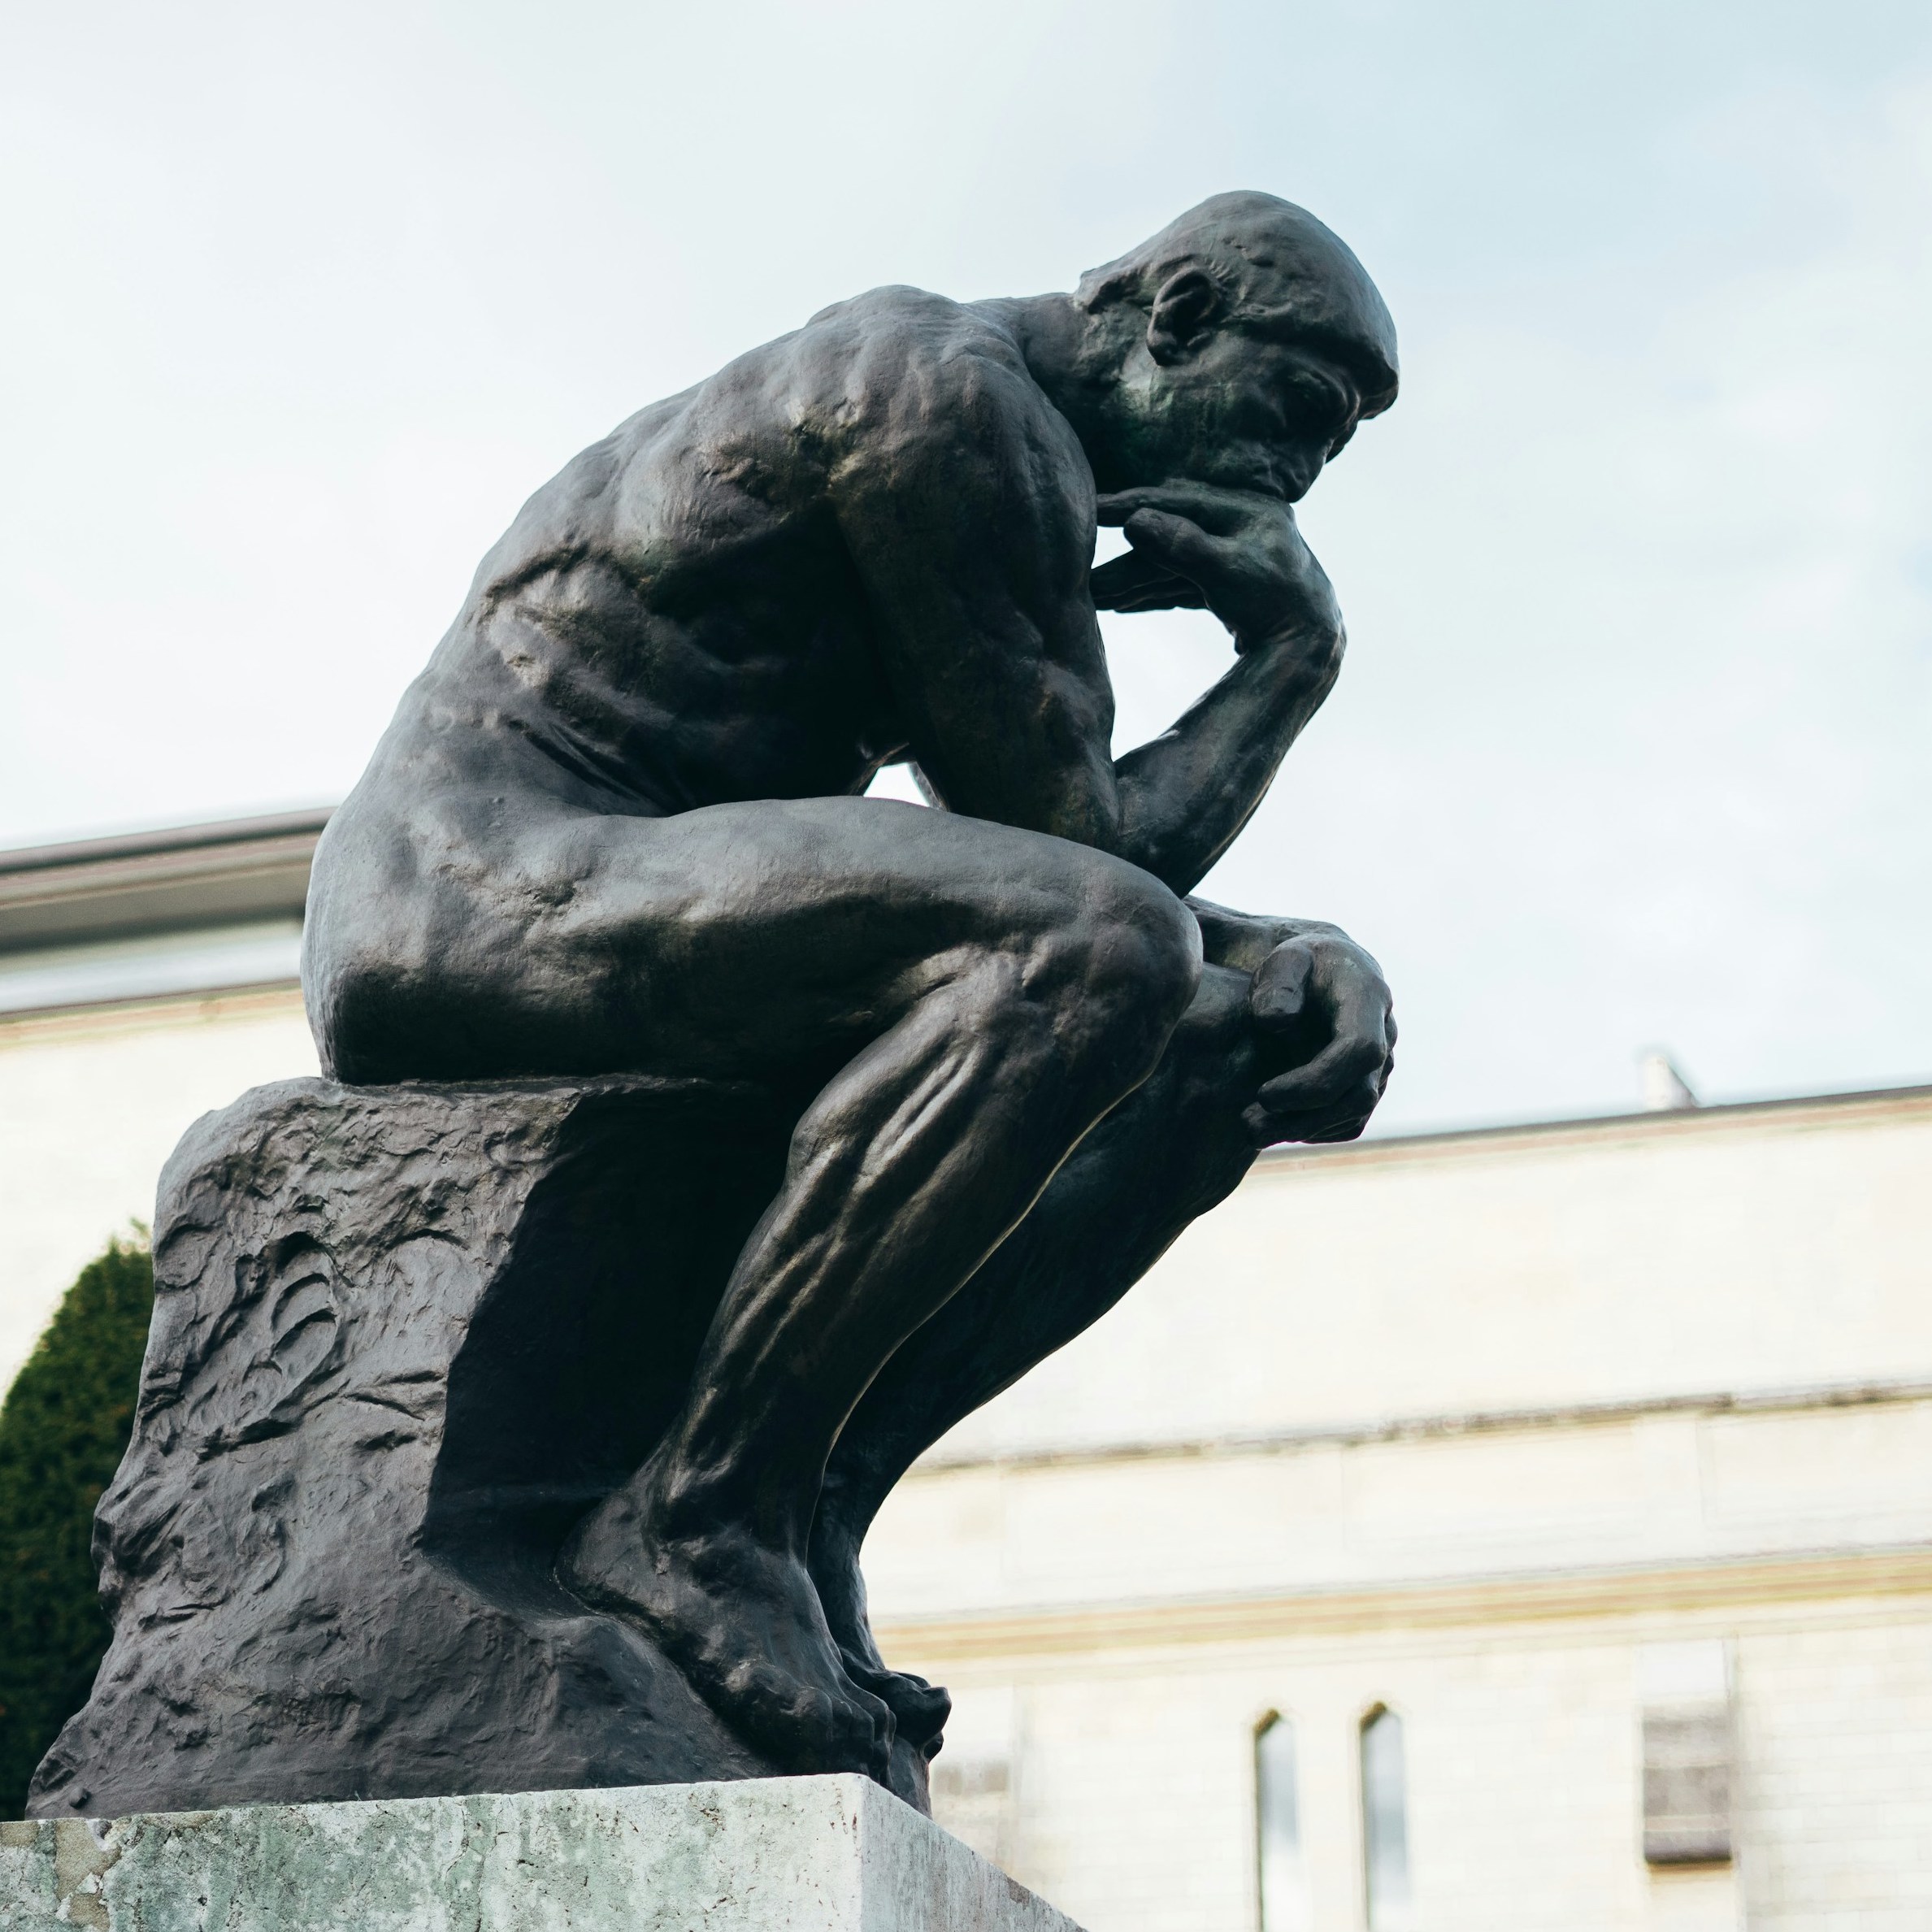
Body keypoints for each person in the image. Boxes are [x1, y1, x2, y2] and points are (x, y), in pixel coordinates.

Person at [302, 190, 1401, 1787]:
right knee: (1104, 954)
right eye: (1294, 409)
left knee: (1221, 1041)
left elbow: (1032, 848)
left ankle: (802, 1506)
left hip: (646, 882)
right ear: (1167, 311)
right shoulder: (945, 401)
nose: (1296, 477)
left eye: (1334, 448)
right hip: (470, 885)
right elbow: (1079, 860)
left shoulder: (998, 437)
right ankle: (699, 1511)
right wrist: (1287, 661)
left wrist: (1283, 956)